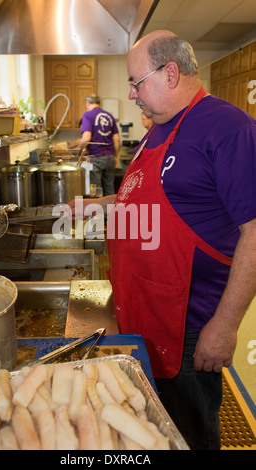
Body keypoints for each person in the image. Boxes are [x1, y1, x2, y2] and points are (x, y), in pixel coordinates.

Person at [66, 31, 256, 450]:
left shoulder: (228, 129)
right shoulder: (159, 128)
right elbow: (137, 194)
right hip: (142, 308)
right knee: (152, 428)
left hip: (188, 321)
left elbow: (255, 232)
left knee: (189, 431)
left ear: (170, 73)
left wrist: (223, 328)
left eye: (136, 82)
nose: (131, 94)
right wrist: (92, 206)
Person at [78, 94, 120, 195]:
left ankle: (97, 211)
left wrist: (78, 151)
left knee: (96, 190)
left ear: (87, 103)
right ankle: (112, 210)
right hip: (109, 157)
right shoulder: (109, 116)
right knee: (109, 188)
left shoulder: (87, 115)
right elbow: (117, 139)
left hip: (95, 158)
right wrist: (115, 156)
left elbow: (86, 138)